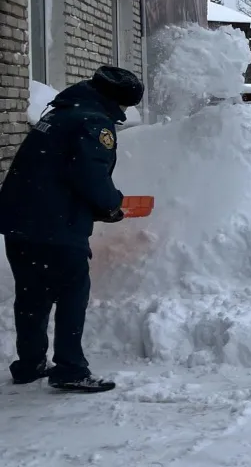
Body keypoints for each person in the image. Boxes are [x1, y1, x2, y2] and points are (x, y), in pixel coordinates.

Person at [0, 65, 144, 392]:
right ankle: (70, 368)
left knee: (32, 294)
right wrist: (112, 205)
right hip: (54, 224)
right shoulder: (92, 122)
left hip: (20, 221)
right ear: (115, 100)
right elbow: (90, 175)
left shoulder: (61, 113)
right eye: (124, 104)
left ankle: (30, 363)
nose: (123, 112)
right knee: (72, 292)